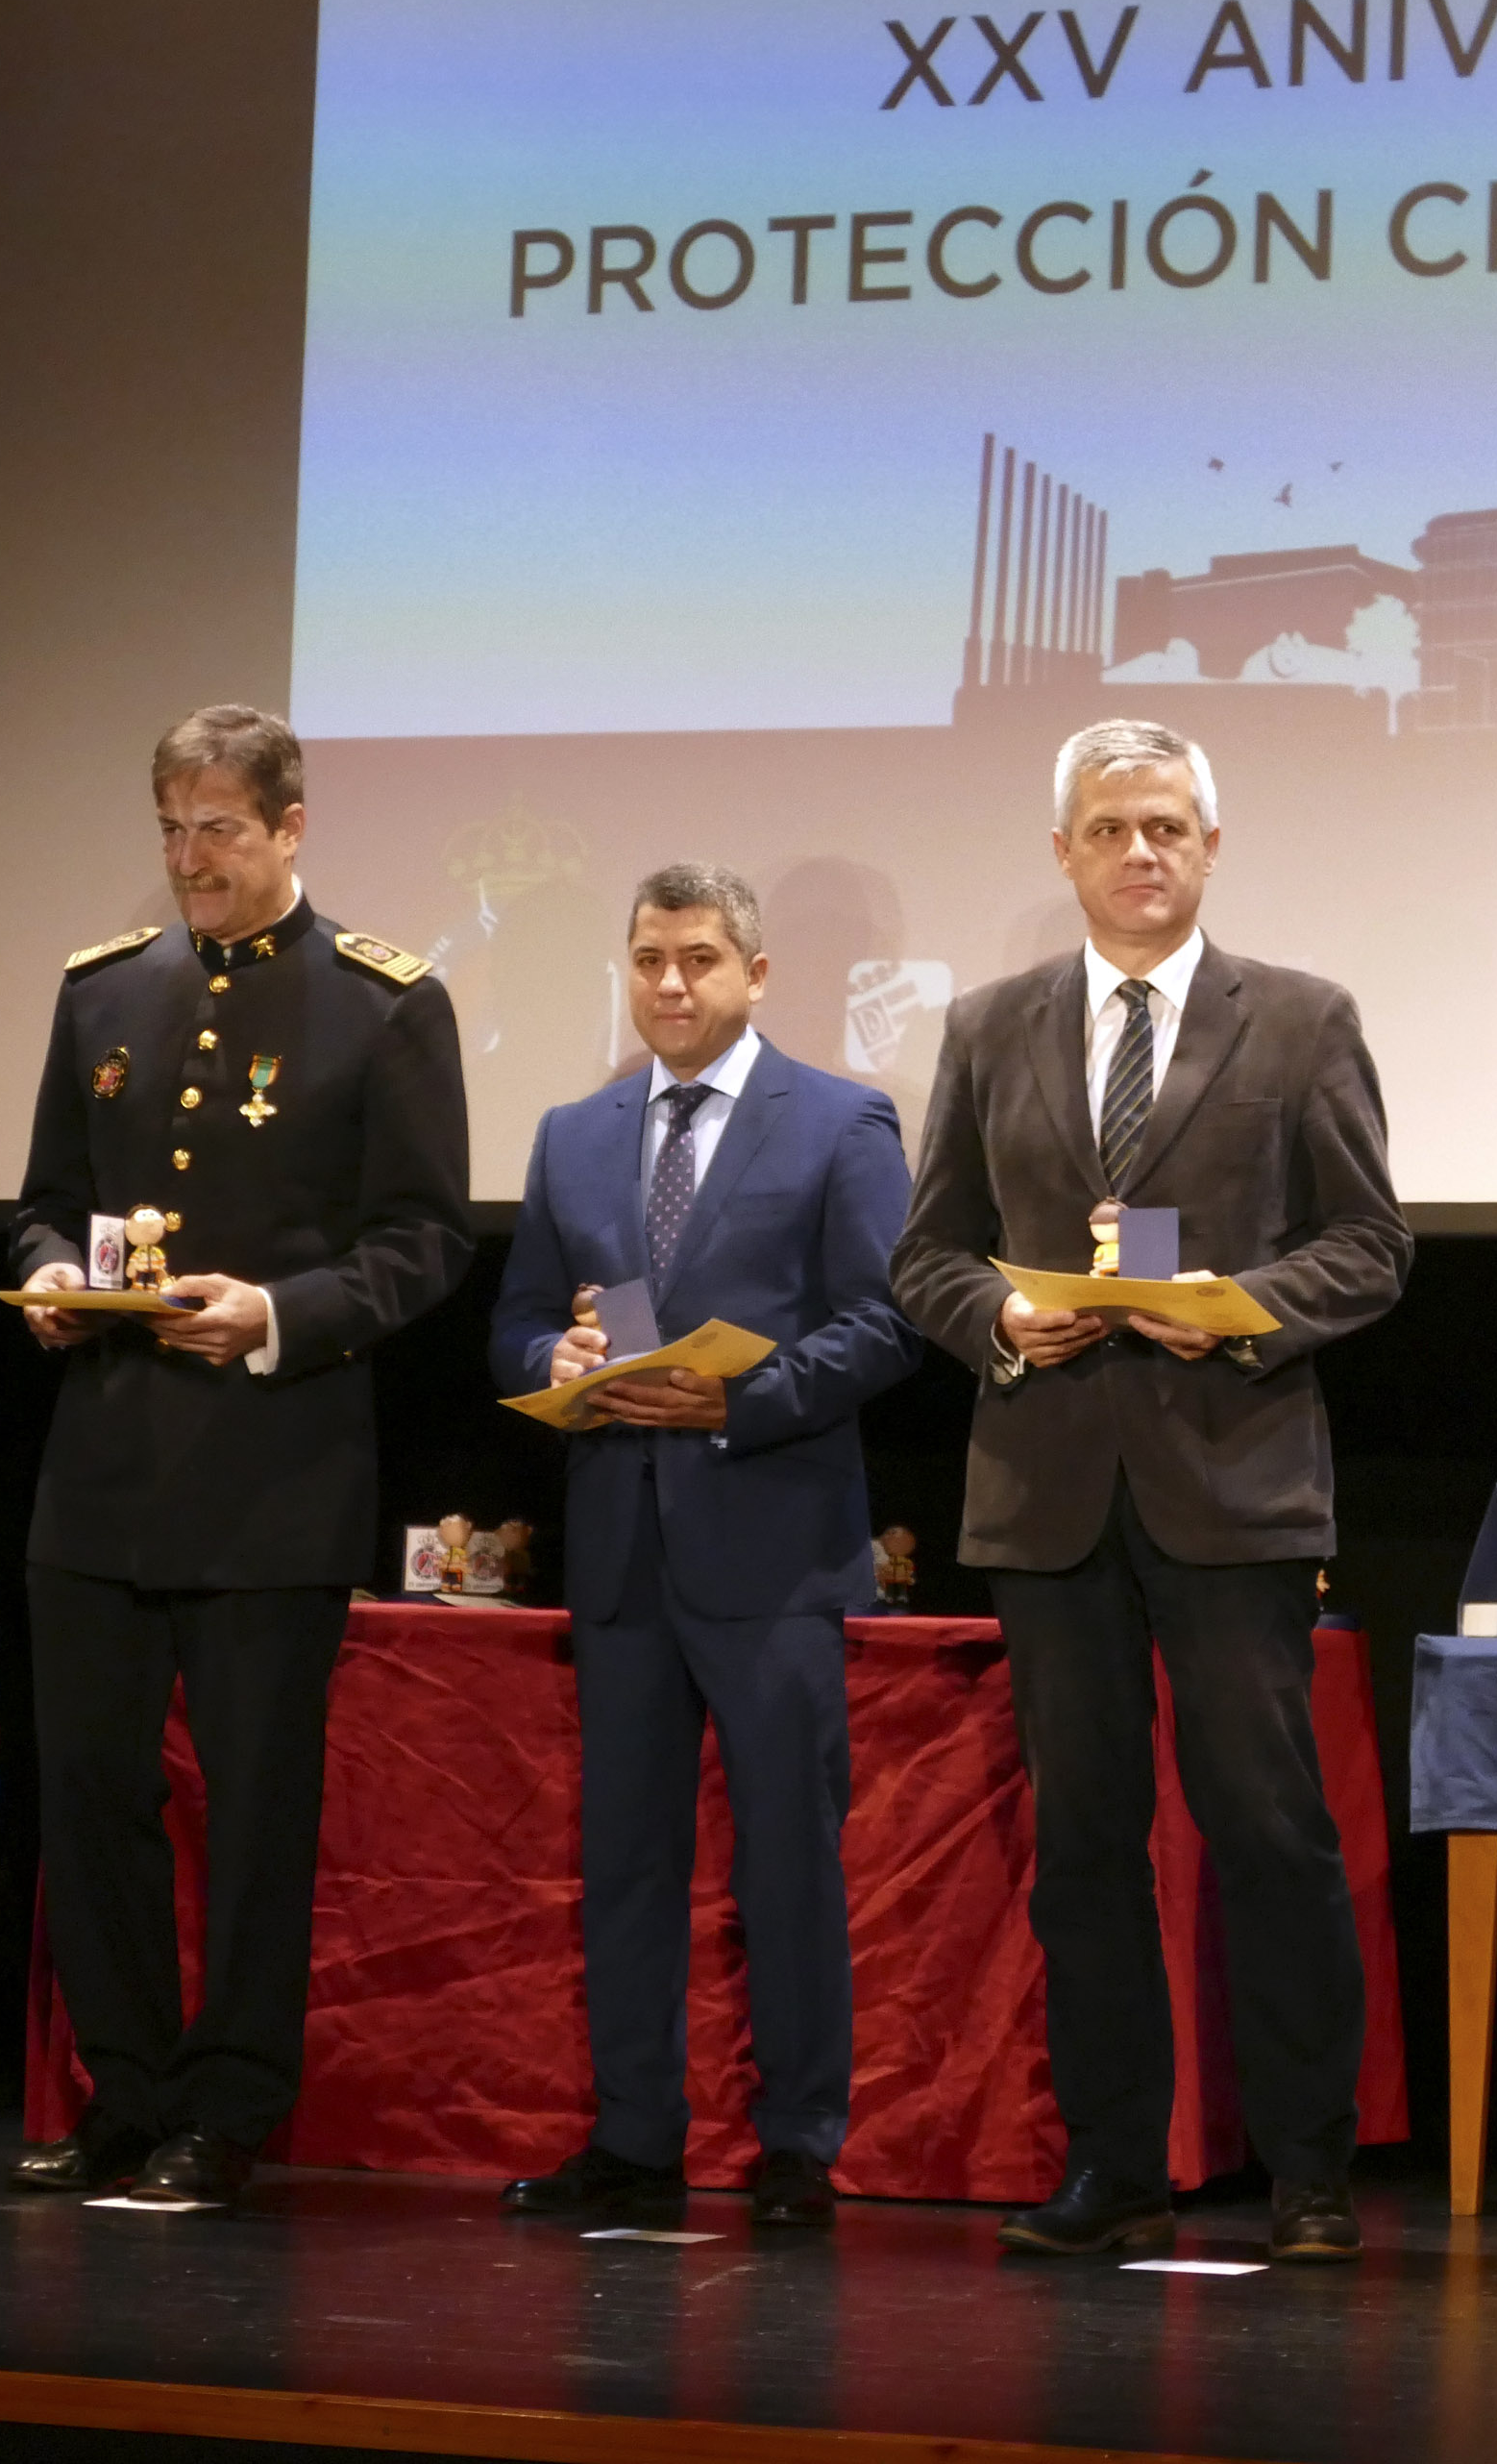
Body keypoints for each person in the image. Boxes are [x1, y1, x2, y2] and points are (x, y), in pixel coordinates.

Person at [890, 719, 1410, 2264]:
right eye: (1112, 828)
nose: (1142, 852)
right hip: (1047, 1493)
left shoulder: (1302, 1019)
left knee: (1272, 1834)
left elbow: (1369, 1247)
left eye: (1169, 826)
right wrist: (1000, 1317)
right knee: (1084, 1847)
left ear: (1212, 846)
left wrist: (1234, 1310)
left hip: (1235, 1486)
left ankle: (1308, 2174)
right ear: (1064, 853)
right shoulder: (988, 1027)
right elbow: (927, 1253)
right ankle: (1112, 2162)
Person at [8, 704, 471, 2206]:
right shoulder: (102, 991)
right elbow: (44, 1202)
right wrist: (53, 1277)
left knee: (261, 1812)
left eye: (218, 829)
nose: (190, 857)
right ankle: (126, 2094)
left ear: (290, 827)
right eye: (172, 828)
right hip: (101, 1471)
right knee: (91, 1795)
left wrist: (277, 1312)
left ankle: (228, 2109)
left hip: (277, 1473)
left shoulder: (385, 1002)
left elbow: (425, 1241)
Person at [488, 863, 921, 2230]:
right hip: (619, 1551)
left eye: (698, 960)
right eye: (648, 961)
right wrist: (550, 1359)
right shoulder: (573, 1133)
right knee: (626, 1864)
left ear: (756, 974)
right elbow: (514, 1322)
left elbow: (888, 1323)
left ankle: (797, 2146)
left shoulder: (842, 1120)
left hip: (774, 1551)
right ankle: (634, 2139)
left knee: (787, 1861)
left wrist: (741, 1400)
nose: (670, 985)